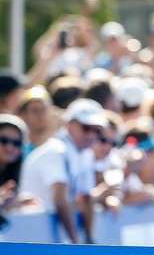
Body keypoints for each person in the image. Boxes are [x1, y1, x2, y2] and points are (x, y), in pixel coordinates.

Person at [18, 99, 108, 243]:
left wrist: (90, 240)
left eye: (97, 130)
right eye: (86, 128)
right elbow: (60, 201)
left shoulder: (85, 153)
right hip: (30, 233)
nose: (91, 135)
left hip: (47, 231)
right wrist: (76, 243)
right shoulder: (56, 151)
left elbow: (86, 197)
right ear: (69, 125)